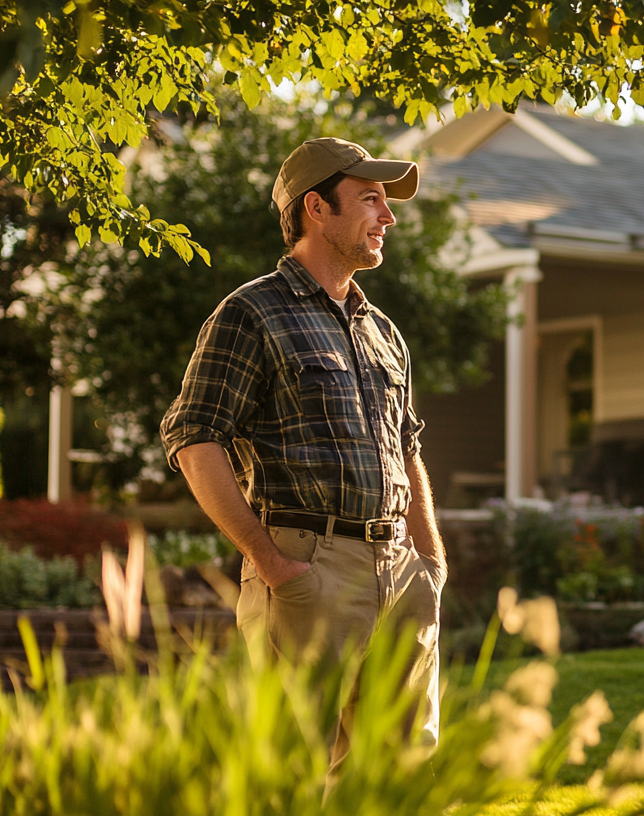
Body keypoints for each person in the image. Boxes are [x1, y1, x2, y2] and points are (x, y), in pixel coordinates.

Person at [160, 137, 445, 773]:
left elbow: (407, 444)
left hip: (400, 570)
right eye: (371, 200)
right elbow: (193, 437)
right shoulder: (250, 313)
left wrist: (429, 559)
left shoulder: (382, 330)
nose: (388, 217)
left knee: (401, 777)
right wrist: (270, 561)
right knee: (288, 773)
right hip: (308, 570)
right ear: (316, 207)